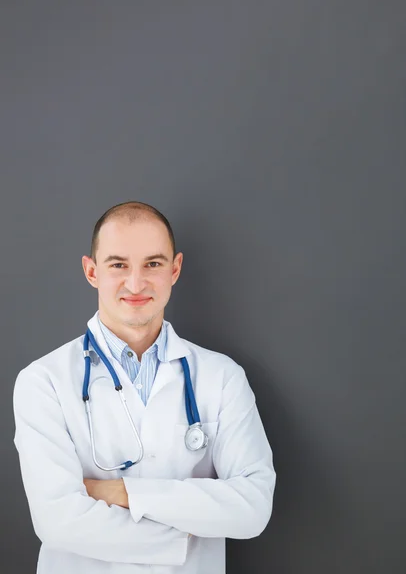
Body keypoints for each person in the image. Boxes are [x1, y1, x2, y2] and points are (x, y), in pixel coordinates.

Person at [13, 201, 276, 574]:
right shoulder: (43, 381)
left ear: (175, 269)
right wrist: (186, 537)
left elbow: (252, 509)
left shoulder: (222, 377)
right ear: (92, 272)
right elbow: (58, 522)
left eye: (152, 264)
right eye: (118, 264)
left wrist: (122, 492)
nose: (135, 284)